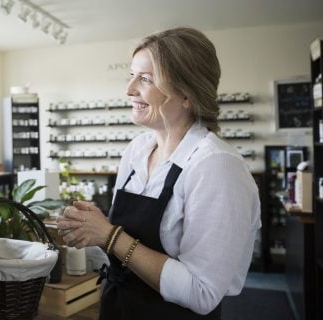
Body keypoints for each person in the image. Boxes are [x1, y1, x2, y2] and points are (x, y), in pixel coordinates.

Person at [56, 27, 260, 319]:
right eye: (131, 76)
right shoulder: (137, 150)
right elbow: (123, 253)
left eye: (146, 79)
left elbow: (202, 292)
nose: (129, 90)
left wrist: (110, 235)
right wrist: (90, 231)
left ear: (186, 94)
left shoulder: (217, 167)